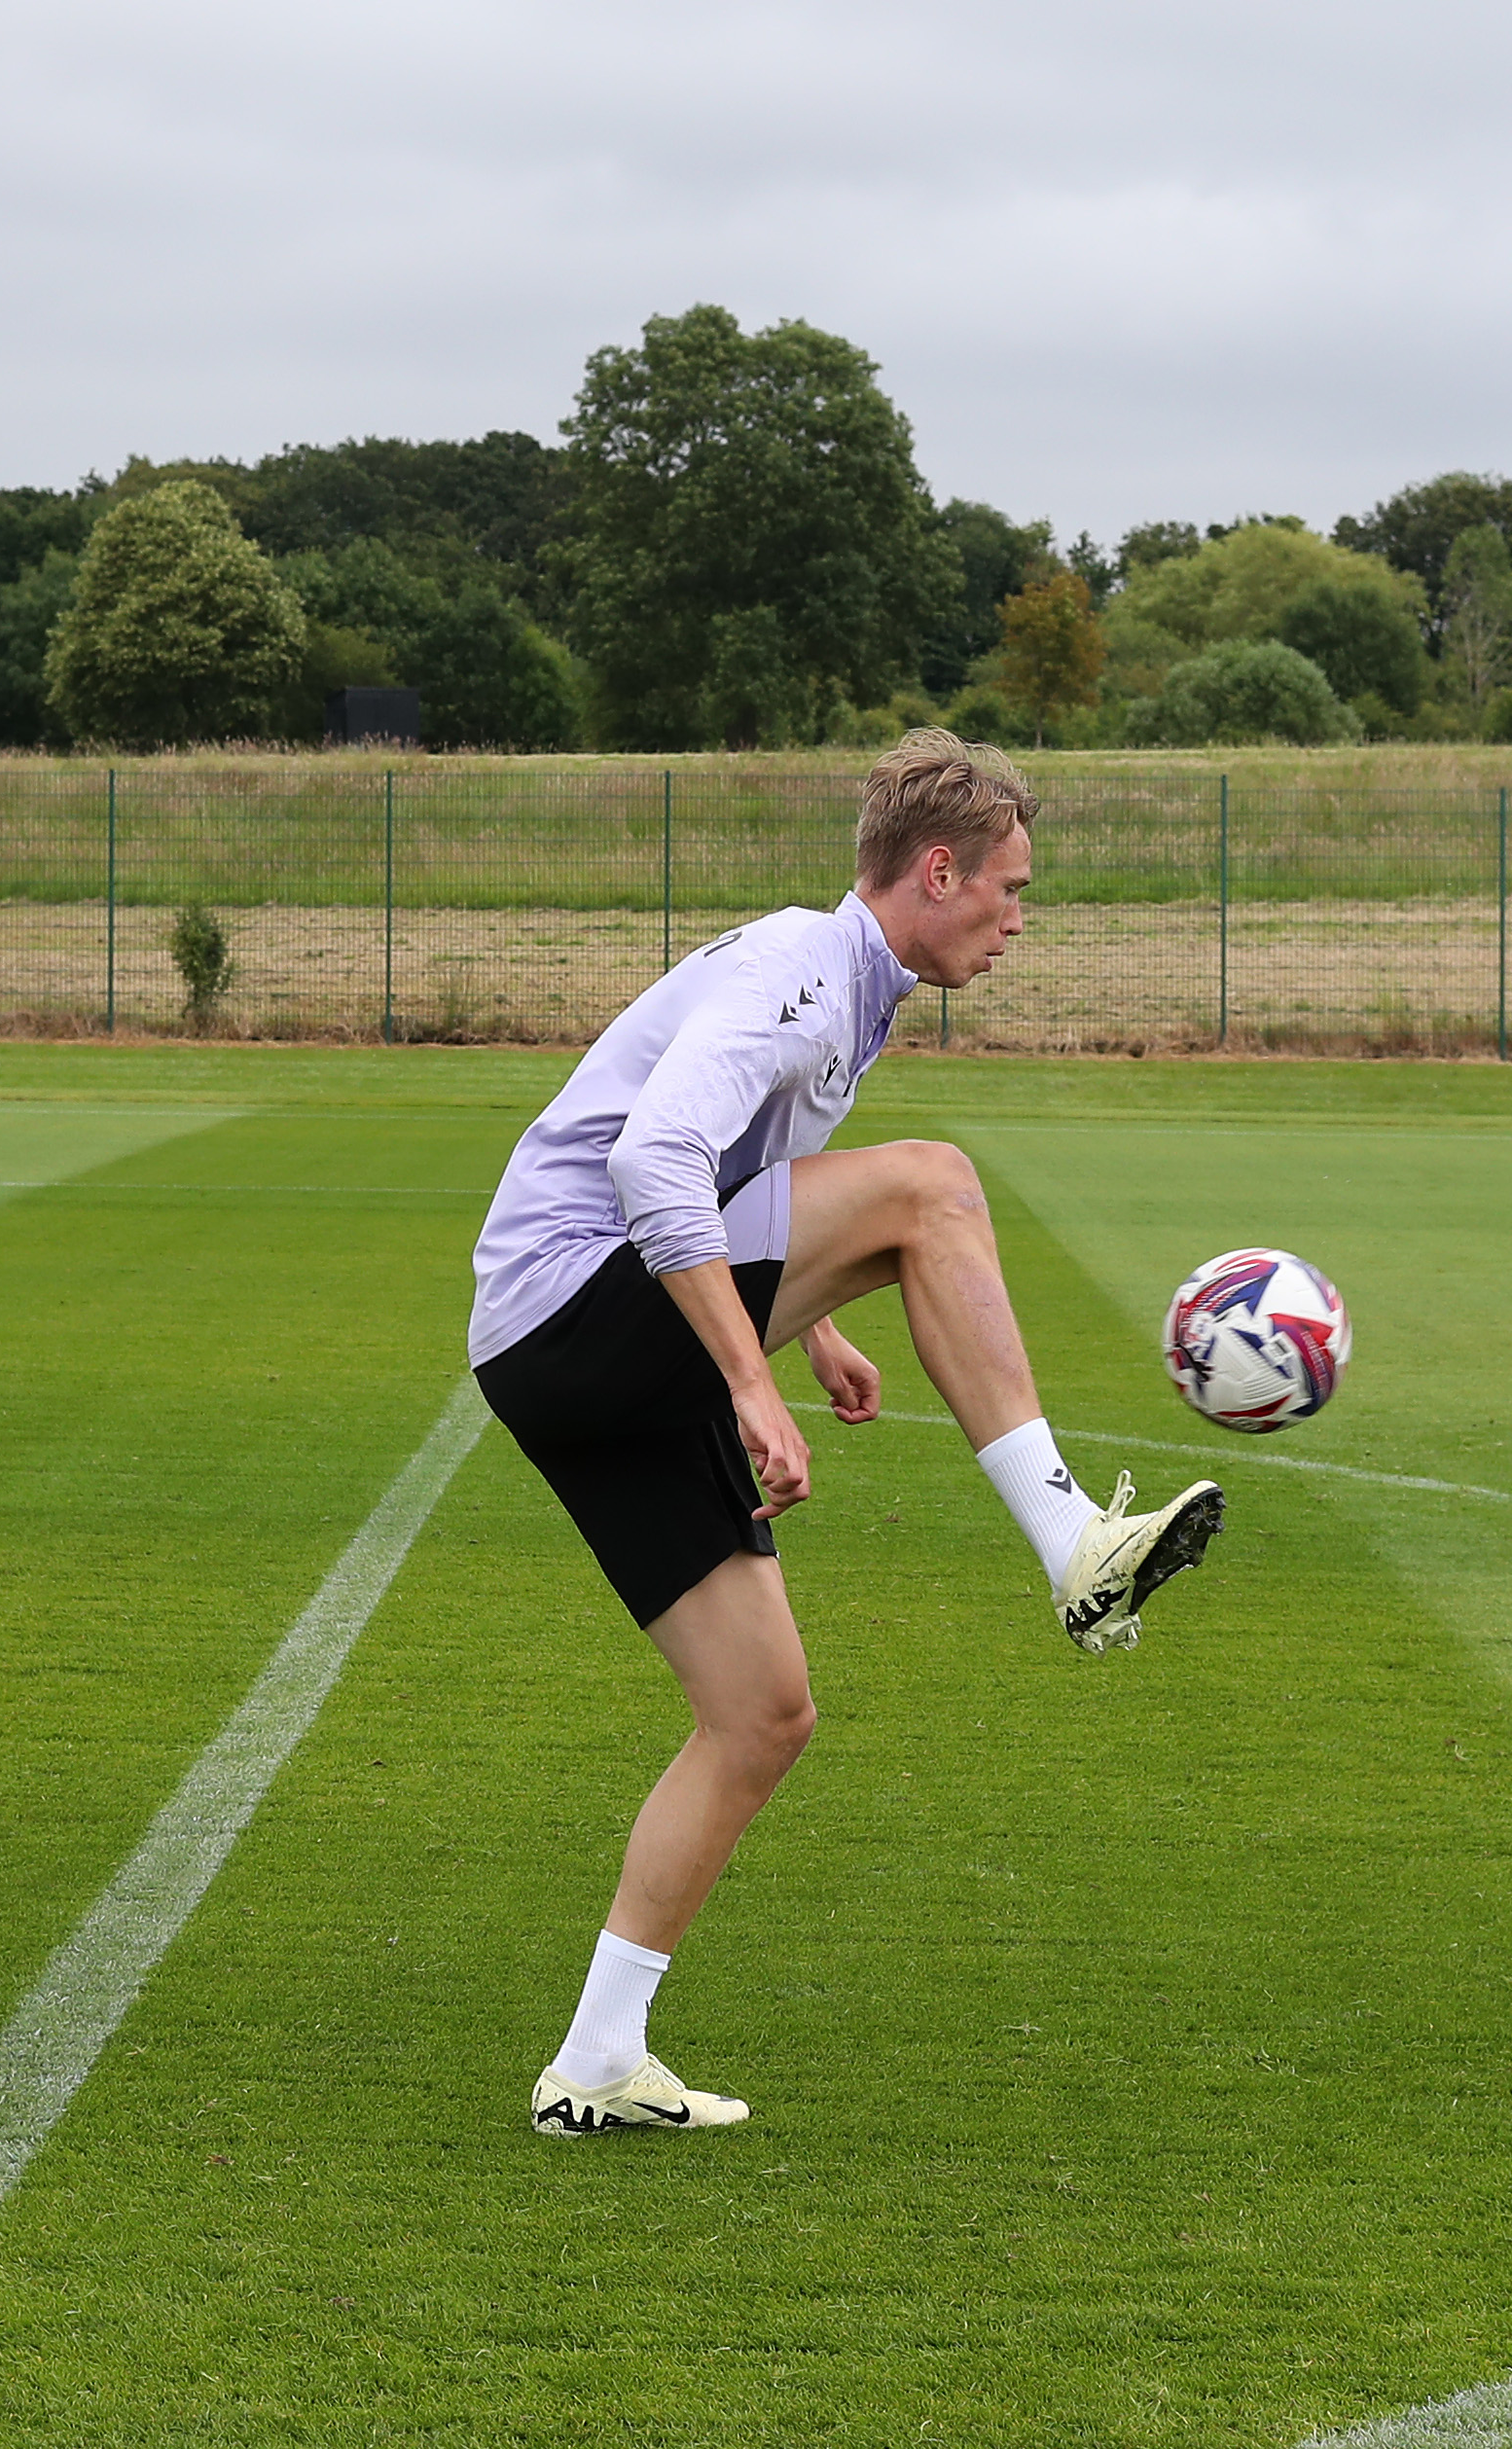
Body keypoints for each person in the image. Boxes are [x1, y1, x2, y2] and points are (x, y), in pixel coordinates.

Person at [466, 730, 1226, 2137]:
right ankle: (1074, 1541)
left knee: (760, 1716)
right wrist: (751, 1380)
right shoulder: (803, 976)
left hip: (566, 1343)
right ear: (934, 872)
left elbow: (744, 1167)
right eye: (1007, 887)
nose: (1016, 919)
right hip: (570, 1307)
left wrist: (805, 1322)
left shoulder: (852, 989)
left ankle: (595, 2062)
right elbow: (652, 1161)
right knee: (931, 1188)